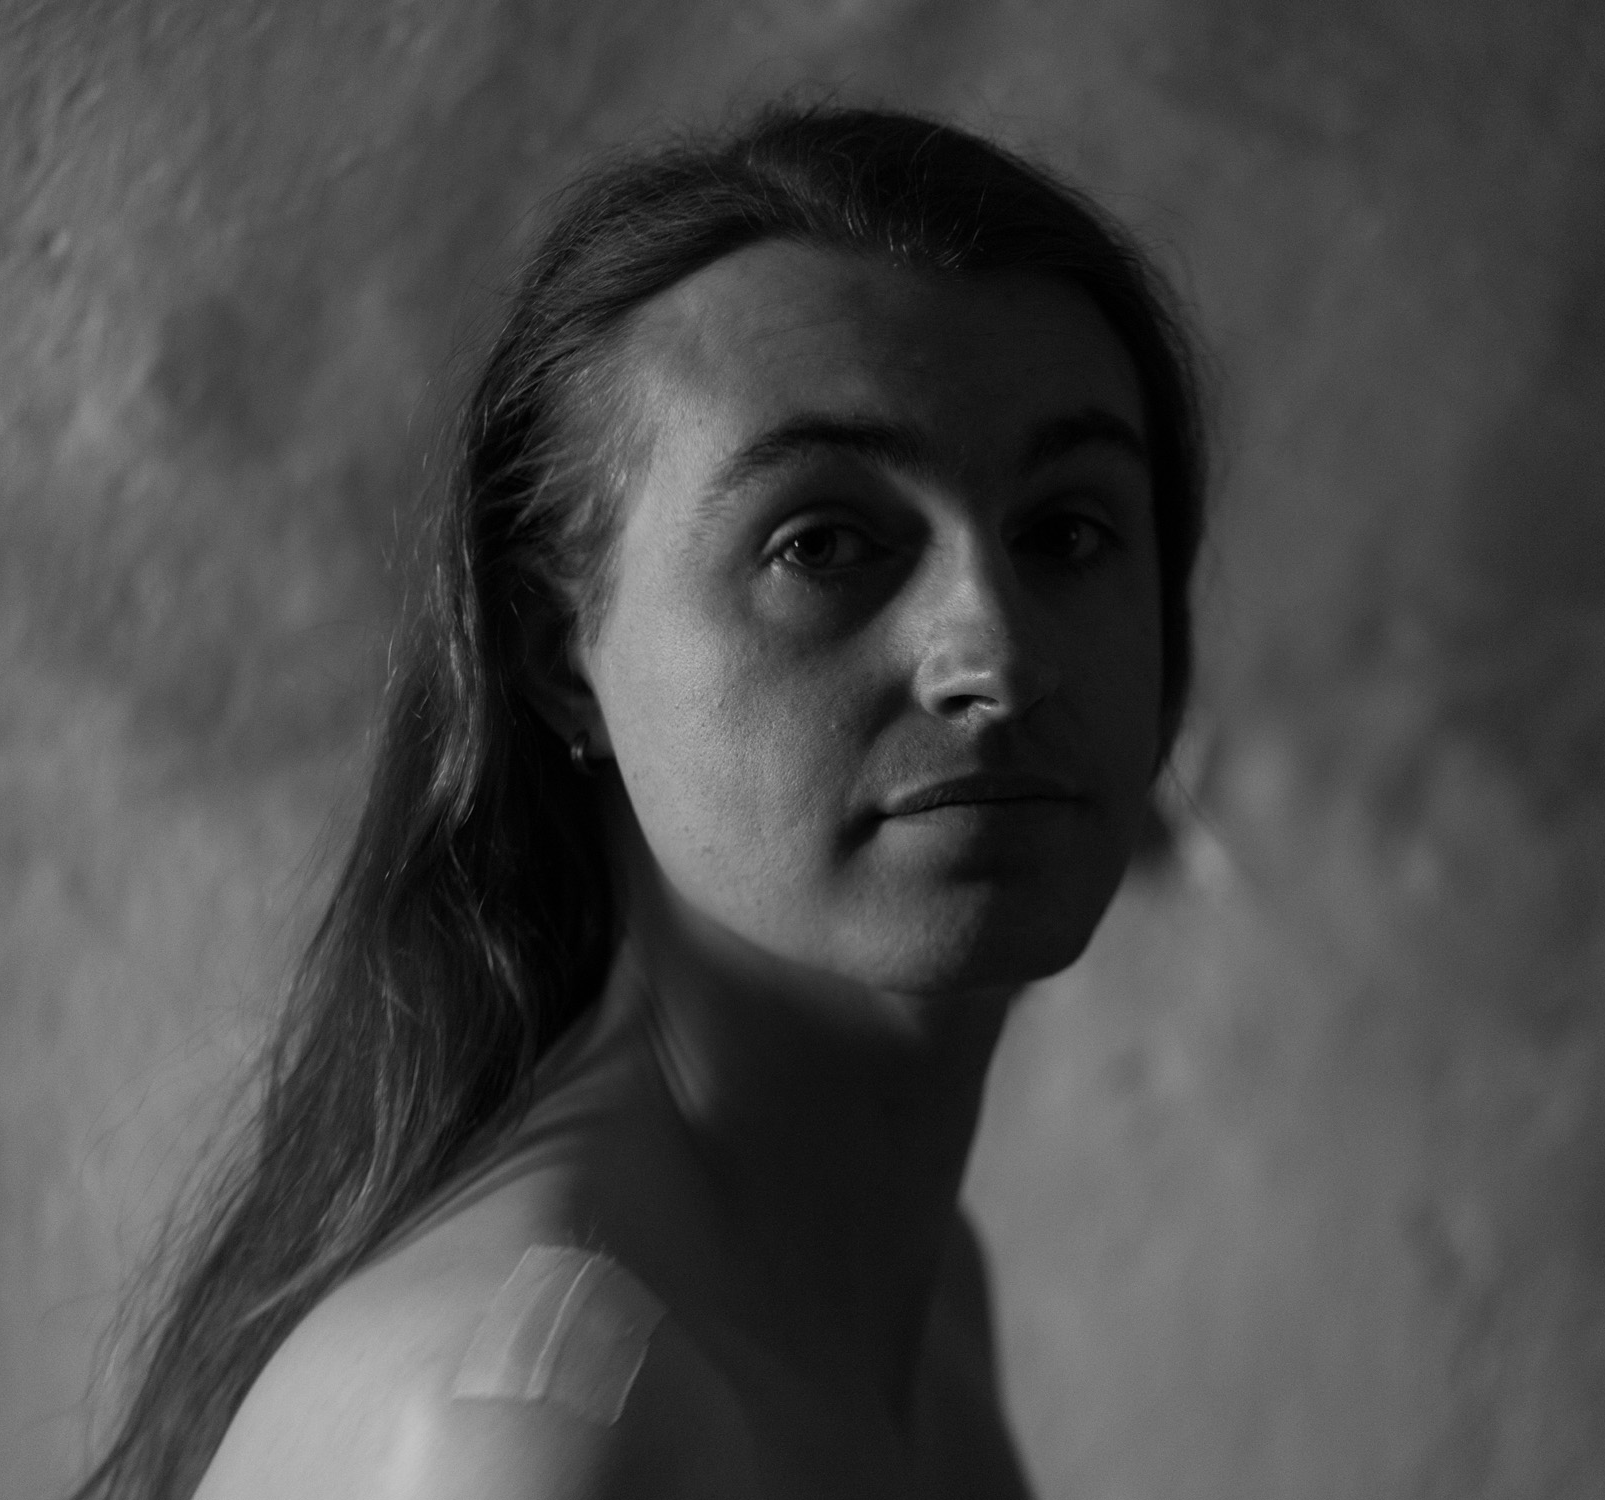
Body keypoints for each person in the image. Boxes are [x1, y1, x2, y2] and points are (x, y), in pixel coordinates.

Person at [74, 103, 1206, 1500]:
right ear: (559, 655)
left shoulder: (905, 1291)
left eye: (1070, 532)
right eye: (822, 543)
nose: (996, 655)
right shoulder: (541, 1431)